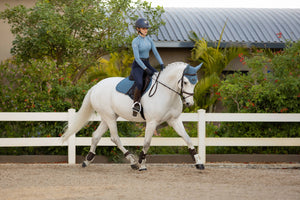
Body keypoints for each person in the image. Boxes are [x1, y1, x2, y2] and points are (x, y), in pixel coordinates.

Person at [130, 18, 165, 117]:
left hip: (147, 62)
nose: (146, 30)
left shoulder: (149, 39)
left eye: (146, 28)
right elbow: (137, 58)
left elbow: (155, 52)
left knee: (158, 77)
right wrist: (145, 69)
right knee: (140, 83)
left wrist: (162, 64)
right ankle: (136, 104)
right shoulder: (135, 41)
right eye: (143, 28)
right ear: (138, 29)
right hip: (138, 65)